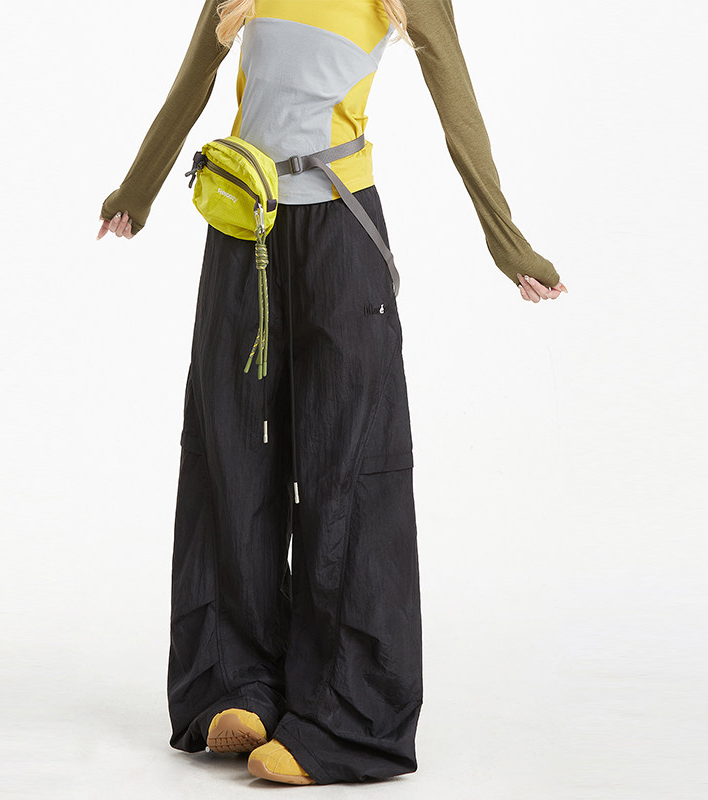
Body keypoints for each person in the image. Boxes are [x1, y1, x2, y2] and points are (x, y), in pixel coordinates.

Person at [96, 0, 568, 787]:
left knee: (347, 466)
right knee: (228, 450)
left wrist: (507, 242)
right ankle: (232, 682)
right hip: (241, 225)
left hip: (340, 234)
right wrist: (136, 191)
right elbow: (196, 73)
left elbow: (456, 99)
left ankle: (346, 713)